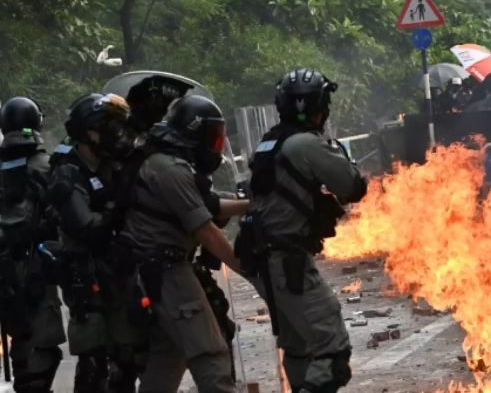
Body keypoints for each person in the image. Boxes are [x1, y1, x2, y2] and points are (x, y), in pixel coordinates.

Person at [238, 68, 367, 392]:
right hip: (288, 262)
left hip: (262, 260)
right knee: (333, 354)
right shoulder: (306, 144)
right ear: (320, 106)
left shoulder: (267, 144)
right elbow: (353, 187)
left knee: (298, 349)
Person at [116, 95, 241, 393]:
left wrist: (249, 205)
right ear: (195, 132)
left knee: (168, 356)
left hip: (150, 274)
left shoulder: (158, 161)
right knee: (211, 355)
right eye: (212, 136)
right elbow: (206, 231)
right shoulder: (170, 169)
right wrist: (249, 269)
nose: (216, 144)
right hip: (169, 272)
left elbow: (206, 207)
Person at [47, 93, 145, 393]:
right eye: (110, 129)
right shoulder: (68, 174)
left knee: (127, 361)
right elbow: (90, 230)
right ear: (89, 132)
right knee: (94, 366)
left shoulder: (111, 165)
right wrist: (120, 202)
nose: (117, 136)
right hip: (89, 286)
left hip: (120, 278)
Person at [0, 97, 66, 392]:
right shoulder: (44, 166)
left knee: (22, 336)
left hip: (5, 269)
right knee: (42, 349)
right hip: (37, 266)